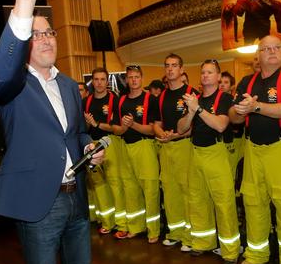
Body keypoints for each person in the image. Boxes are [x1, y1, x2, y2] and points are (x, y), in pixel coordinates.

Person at [0, 0, 104, 264]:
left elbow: (78, 132)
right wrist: (26, 1)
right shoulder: (13, 84)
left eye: (49, 32)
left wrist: (91, 147)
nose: (45, 39)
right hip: (41, 202)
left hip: (77, 199)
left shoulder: (68, 85)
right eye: (35, 34)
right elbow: (0, 75)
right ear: (24, 42)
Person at [229, 35, 281, 264]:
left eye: (277, 48)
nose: (273, 51)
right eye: (266, 48)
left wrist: (256, 107)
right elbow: (233, 117)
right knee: (253, 203)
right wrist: (241, 111)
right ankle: (257, 253)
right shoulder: (246, 82)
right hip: (253, 149)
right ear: (258, 56)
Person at [177, 59, 240, 264]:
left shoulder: (224, 98)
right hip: (195, 152)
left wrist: (200, 110)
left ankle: (230, 250)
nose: (205, 76)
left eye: (210, 72)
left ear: (218, 76)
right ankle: (203, 241)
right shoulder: (194, 99)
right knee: (197, 199)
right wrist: (192, 111)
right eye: (203, 72)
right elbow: (181, 128)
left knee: (223, 201)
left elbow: (221, 125)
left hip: (217, 152)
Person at [111, 65, 161, 243]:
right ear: (126, 79)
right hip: (125, 147)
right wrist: (124, 127)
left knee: (150, 190)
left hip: (145, 147)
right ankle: (135, 226)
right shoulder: (121, 100)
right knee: (130, 189)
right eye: (130, 77)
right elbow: (115, 129)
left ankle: (153, 230)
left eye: (137, 76)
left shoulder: (151, 99)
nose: (133, 80)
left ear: (142, 78)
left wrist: (133, 125)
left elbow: (153, 130)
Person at [153, 54, 198, 252]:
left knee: (188, 191)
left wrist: (175, 136)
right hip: (165, 147)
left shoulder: (191, 93)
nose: (170, 69)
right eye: (167, 66)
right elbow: (156, 124)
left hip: (185, 146)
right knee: (170, 191)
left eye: (174, 66)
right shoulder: (161, 96)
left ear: (181, 69)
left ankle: (190, 236)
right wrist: (161, 133)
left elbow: (197, 126)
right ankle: (176, 233)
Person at [82, 67, 126, 236]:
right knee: (99, 185)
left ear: (107, 82)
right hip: (92, 145)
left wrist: (96, 124)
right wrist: (88, 124)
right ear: (92, 82)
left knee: (115, 183)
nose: (99, 83)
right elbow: (84, 128)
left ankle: (121, 224)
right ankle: (107, 222)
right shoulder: (86, 101)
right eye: (96, 79)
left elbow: (117, 128)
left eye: (102, 79)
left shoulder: (115, 100)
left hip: (110, 143)